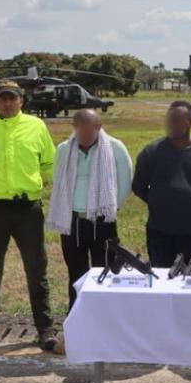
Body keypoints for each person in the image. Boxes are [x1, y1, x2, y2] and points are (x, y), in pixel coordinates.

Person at [0, 81, 58, 350]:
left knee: (36, 270)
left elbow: (49, 162)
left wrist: (51, 185)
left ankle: (45, 328)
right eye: (2, 98)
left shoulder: (36, 126)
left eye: (12, 98)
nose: (7, 103)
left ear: (22, 101)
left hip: (28, 209)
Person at [46, 109, 133, 308]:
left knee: (105, 271)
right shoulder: (64, 149)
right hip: (72, 221)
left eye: (89, 133)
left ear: (98, 127)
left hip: (103, 221)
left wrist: (110, 209)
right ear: (74, 128)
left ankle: (105, 317)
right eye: (80, 133)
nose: (84, 138)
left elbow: (125, 184)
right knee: (76, 273)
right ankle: (77, 315)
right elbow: (58, 180)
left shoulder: (115, 147)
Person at [132, 100, 191, 268]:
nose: (172, 124)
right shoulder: (151, 152)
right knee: (161, 278)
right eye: (169, 120)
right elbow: (138, 186)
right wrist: (159, 201)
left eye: (177, 120)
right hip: (160, 231)